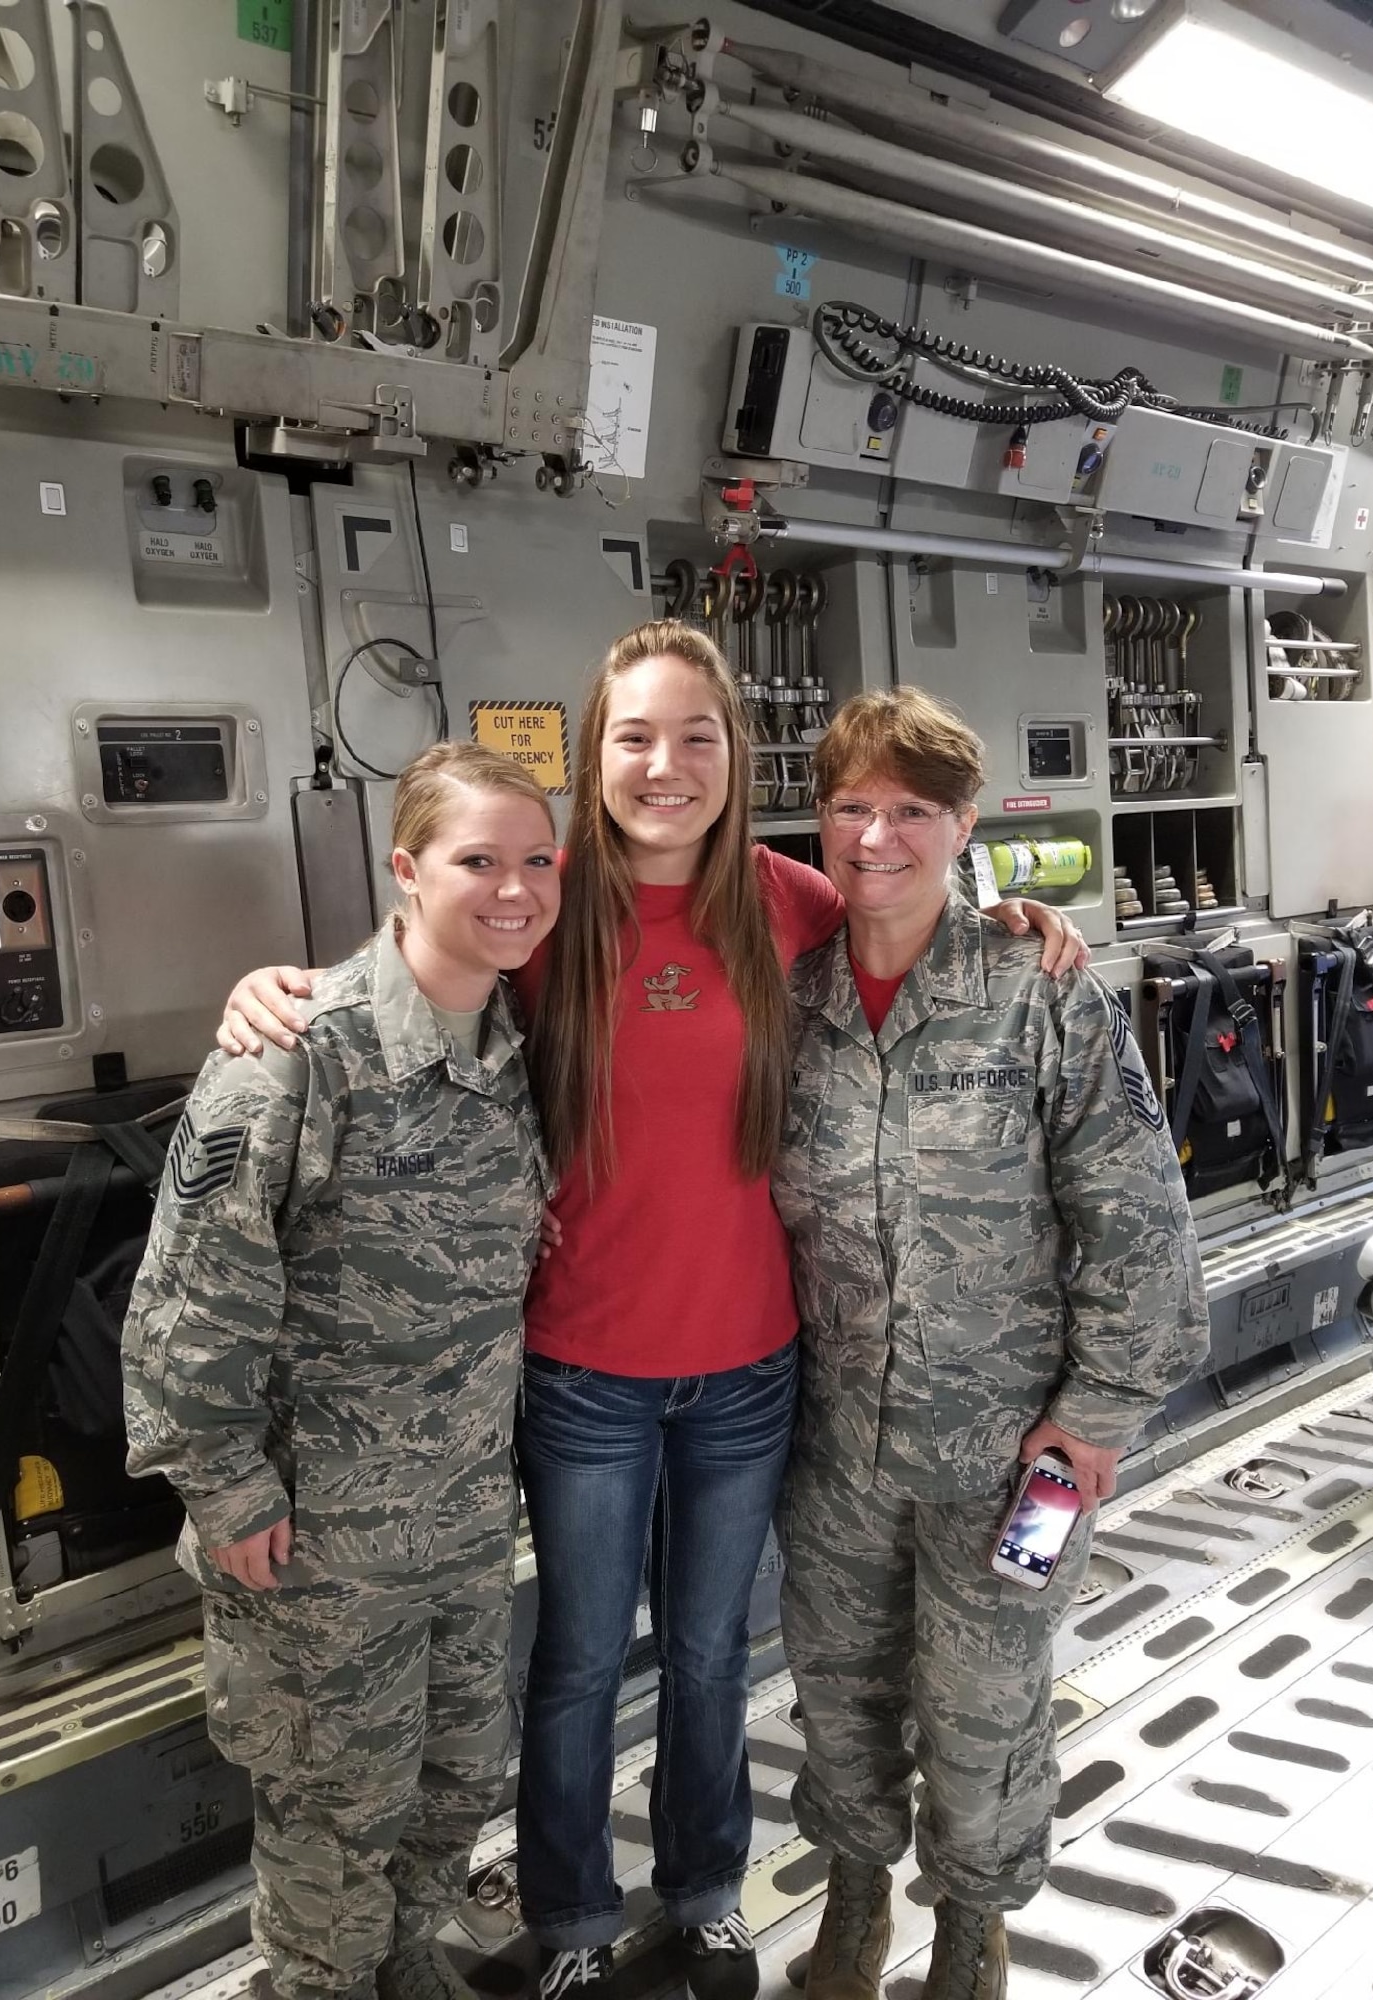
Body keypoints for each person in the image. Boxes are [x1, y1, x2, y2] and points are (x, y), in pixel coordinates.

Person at [219, 625, 1085, 2000]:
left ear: (734, 755)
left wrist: (1020, 917)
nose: (666, 764)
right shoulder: (548, 903)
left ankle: (705, 1893)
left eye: (697, 735)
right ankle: (570, 1919)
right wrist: (285, 987)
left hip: (751, 1372)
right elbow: (427, 937)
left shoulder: (784, 899)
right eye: (636, 736)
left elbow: (908, 917)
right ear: (594, 754)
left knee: (705, 1659)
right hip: (583, 1372)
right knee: (572, 1664)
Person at [773, 689, 1208, 2000]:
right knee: (840, 1698)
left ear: (963, 826)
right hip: (835, 1449)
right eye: (852, 806)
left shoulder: (1040, 990)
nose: (878, 836)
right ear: (823, 820)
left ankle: (975, 1924)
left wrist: (1094, 1424)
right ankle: (854, 1902)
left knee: (983, 1711)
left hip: (1015, 1456)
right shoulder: (790, 1003)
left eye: (913, 809)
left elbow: (1138, 1222)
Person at [122, 742, 561, 2000]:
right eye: (480, 860)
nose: (515, 887)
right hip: (317, 1541)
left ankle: (408, 1963)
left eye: (538, 860)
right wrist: (230, 1493)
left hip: (464, 1520)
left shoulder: (516, 1045)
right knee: (333, 1811)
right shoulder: (294, 1054)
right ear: (406, 869)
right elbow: (187, 1301)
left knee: (461, 1777)